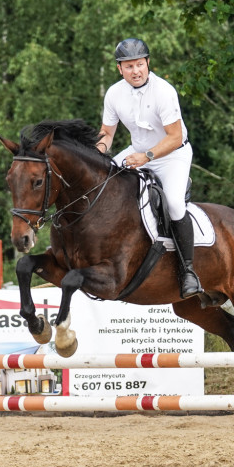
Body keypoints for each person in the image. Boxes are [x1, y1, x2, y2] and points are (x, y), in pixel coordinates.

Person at [96, 37, 203, 299]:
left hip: (171, 155)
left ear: (148, 63)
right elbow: (107, 134)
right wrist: (97, 154)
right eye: (129, 66)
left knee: (176, 204)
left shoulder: (164, 91)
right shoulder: (114, 93)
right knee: (101, 182)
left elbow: (175, 137)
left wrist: (148, 156)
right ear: (119, 69)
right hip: (137, 151)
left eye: (139, 65)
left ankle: (188, 271)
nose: (136, 71)